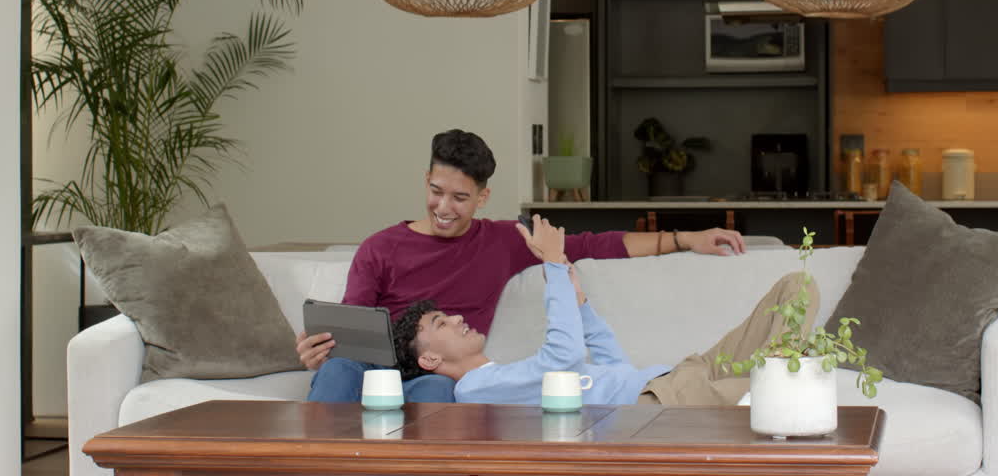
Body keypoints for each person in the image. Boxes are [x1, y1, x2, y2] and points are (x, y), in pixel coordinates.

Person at [297, 128, 748, 404]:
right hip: (375, 368)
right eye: (436, 190)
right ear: (426, 180)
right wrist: (320, 347)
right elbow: (351, 327)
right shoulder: (381, 247)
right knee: (337, 370)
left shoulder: (500, 241)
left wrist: (684, 238)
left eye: (459, 197)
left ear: (482, 197)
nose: (443, 207)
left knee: (440, 391)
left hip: (433, 377)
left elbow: (595, 244)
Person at [391, 216, 817, 406]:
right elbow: (563, 357)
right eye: (440, 323)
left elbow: (613, 366)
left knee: (797, 286)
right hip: (665, 400)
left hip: (682, 374)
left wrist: (582, 306)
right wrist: (554, 268)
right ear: (429, 359)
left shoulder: (508, 374)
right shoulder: (475, 391)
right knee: (770, 397)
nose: (458, 319)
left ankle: (776, 376)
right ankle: (776, 386)